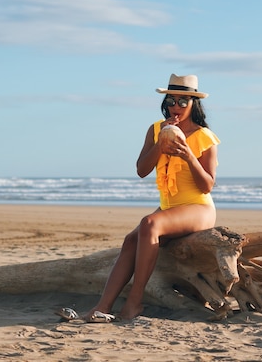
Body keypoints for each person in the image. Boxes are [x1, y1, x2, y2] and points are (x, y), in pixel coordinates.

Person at [84, 73, 220, 321]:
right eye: (171, 100)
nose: (175, 107)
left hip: (198, 208)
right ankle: (102, 307)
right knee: (131, 241)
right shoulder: (156, 129)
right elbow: (141, 170)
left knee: (149, 223)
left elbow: (207, 186)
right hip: (169, 208)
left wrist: (189, 156)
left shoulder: (204, 137)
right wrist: (160, 143)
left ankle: (134, 304)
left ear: (193, 104)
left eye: (182, 101)